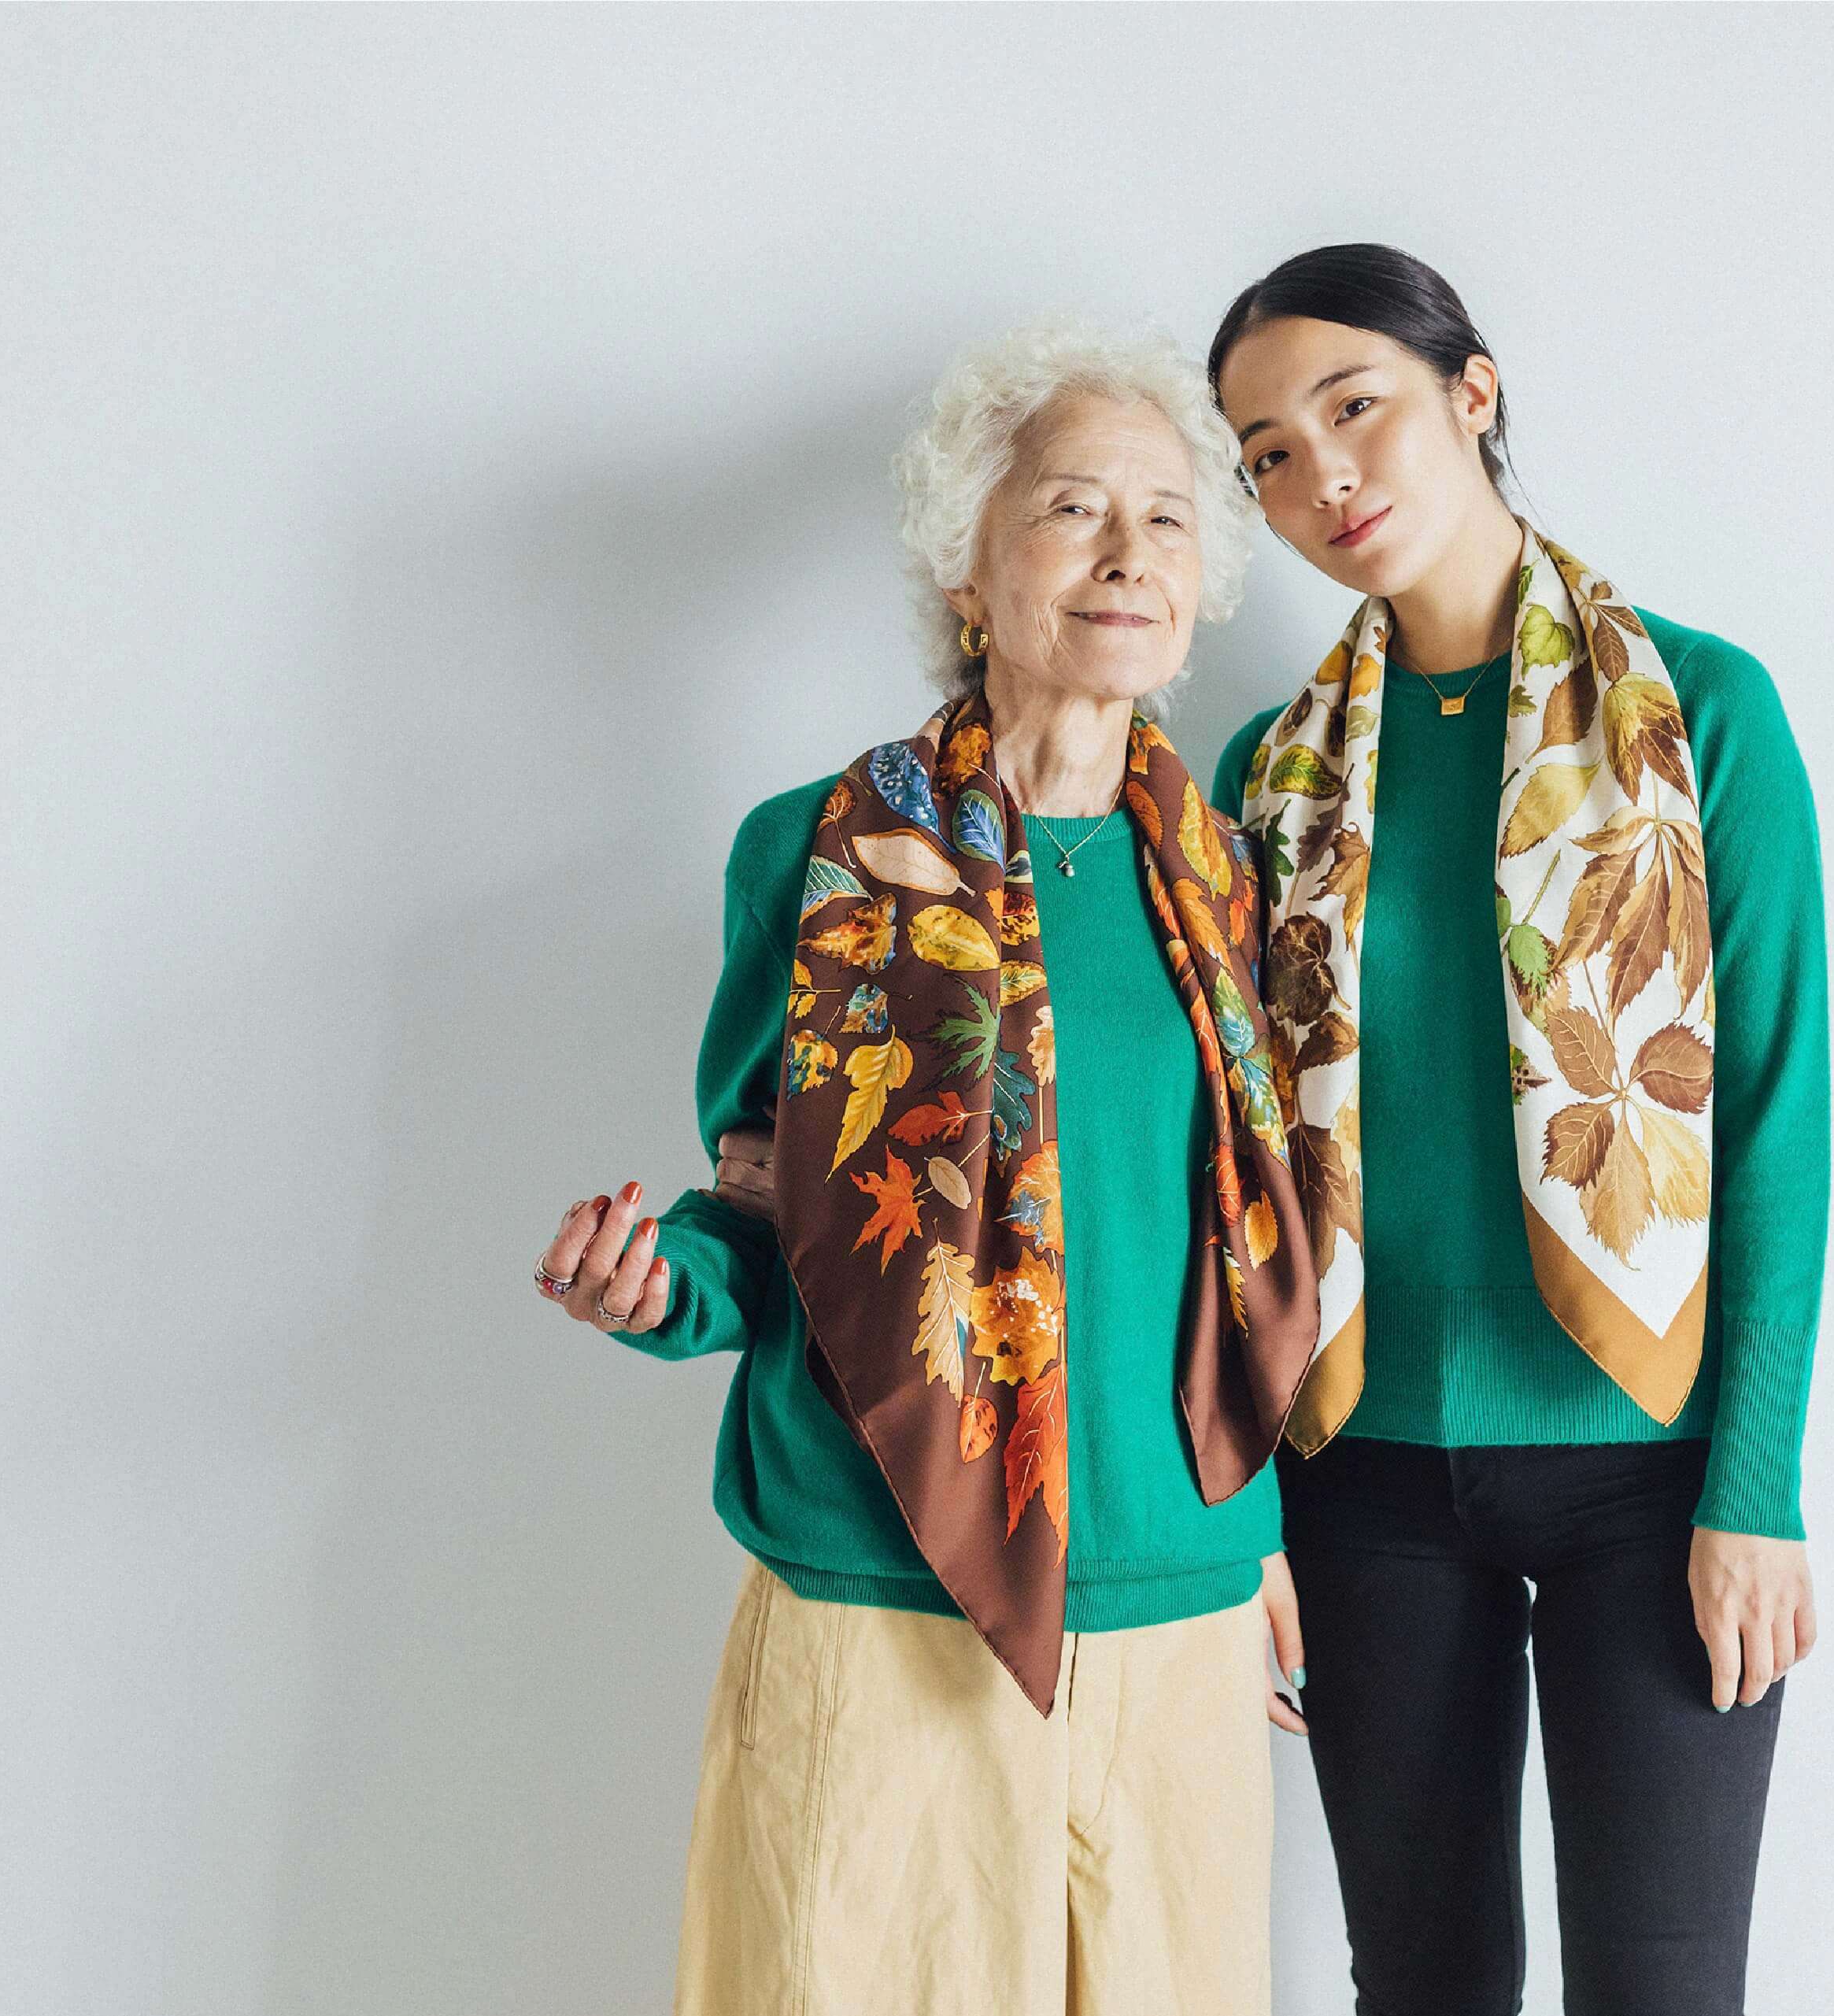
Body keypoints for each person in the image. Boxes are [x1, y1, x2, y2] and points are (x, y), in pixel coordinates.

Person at [531, 320, 1319, 2016]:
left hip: (1179, 1621)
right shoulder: (816, 852)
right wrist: (658, 1291)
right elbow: (763, 1212)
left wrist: (1255, 1533)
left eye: (1167, 519)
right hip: (880, 1605)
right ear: (968, 564)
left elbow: (1244, 1245)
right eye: (1073, 507)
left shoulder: (1232, 880)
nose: (1128, 555)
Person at [1206, 242, 1830, 2016]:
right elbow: (1233, 1173)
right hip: (1359, 1473)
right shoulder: (1268, 773)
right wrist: (1247, 1521)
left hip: (1651, 1467)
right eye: (1266, 454)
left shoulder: (1702, 711)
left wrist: (1756, 1489)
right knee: (1418, 1981)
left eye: (1355, 408)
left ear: (1469, 393)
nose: (1321, 476)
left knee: (1664, 1985)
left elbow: (1772, 1111)